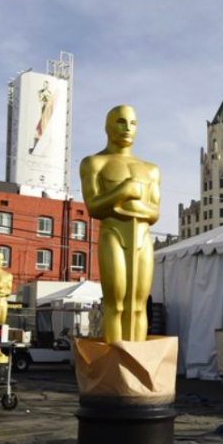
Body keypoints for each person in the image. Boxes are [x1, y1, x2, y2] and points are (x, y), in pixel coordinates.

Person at [80, 105, 160, 343]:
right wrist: (123, 191)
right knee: (116, 302)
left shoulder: (151, 170)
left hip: (142, 239)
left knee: (138, 304)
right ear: (108, 126)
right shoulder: (95, 163)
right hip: (113, 234)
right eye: (121, 122)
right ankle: (115, 364)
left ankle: (136, 361)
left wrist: (123, 206)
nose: (127, 128)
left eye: (132, 123)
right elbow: (94, 206)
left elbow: (154, 213)